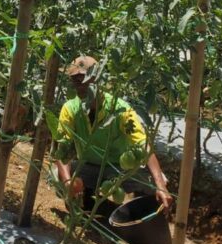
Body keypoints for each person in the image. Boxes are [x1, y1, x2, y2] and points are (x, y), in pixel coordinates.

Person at [54, 55, 173, 213]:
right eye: (75, 81)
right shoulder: (70, 109)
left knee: (155, 182)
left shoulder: (120, 109)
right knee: (57, 177)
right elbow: (63, 147)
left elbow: (142, 144)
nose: (79, 86)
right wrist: (69, 182)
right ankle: (87, 201)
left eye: (84, 80)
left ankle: (141, 211)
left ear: (97, 79)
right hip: (88, 166)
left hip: (119, 170)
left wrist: (160, 185)